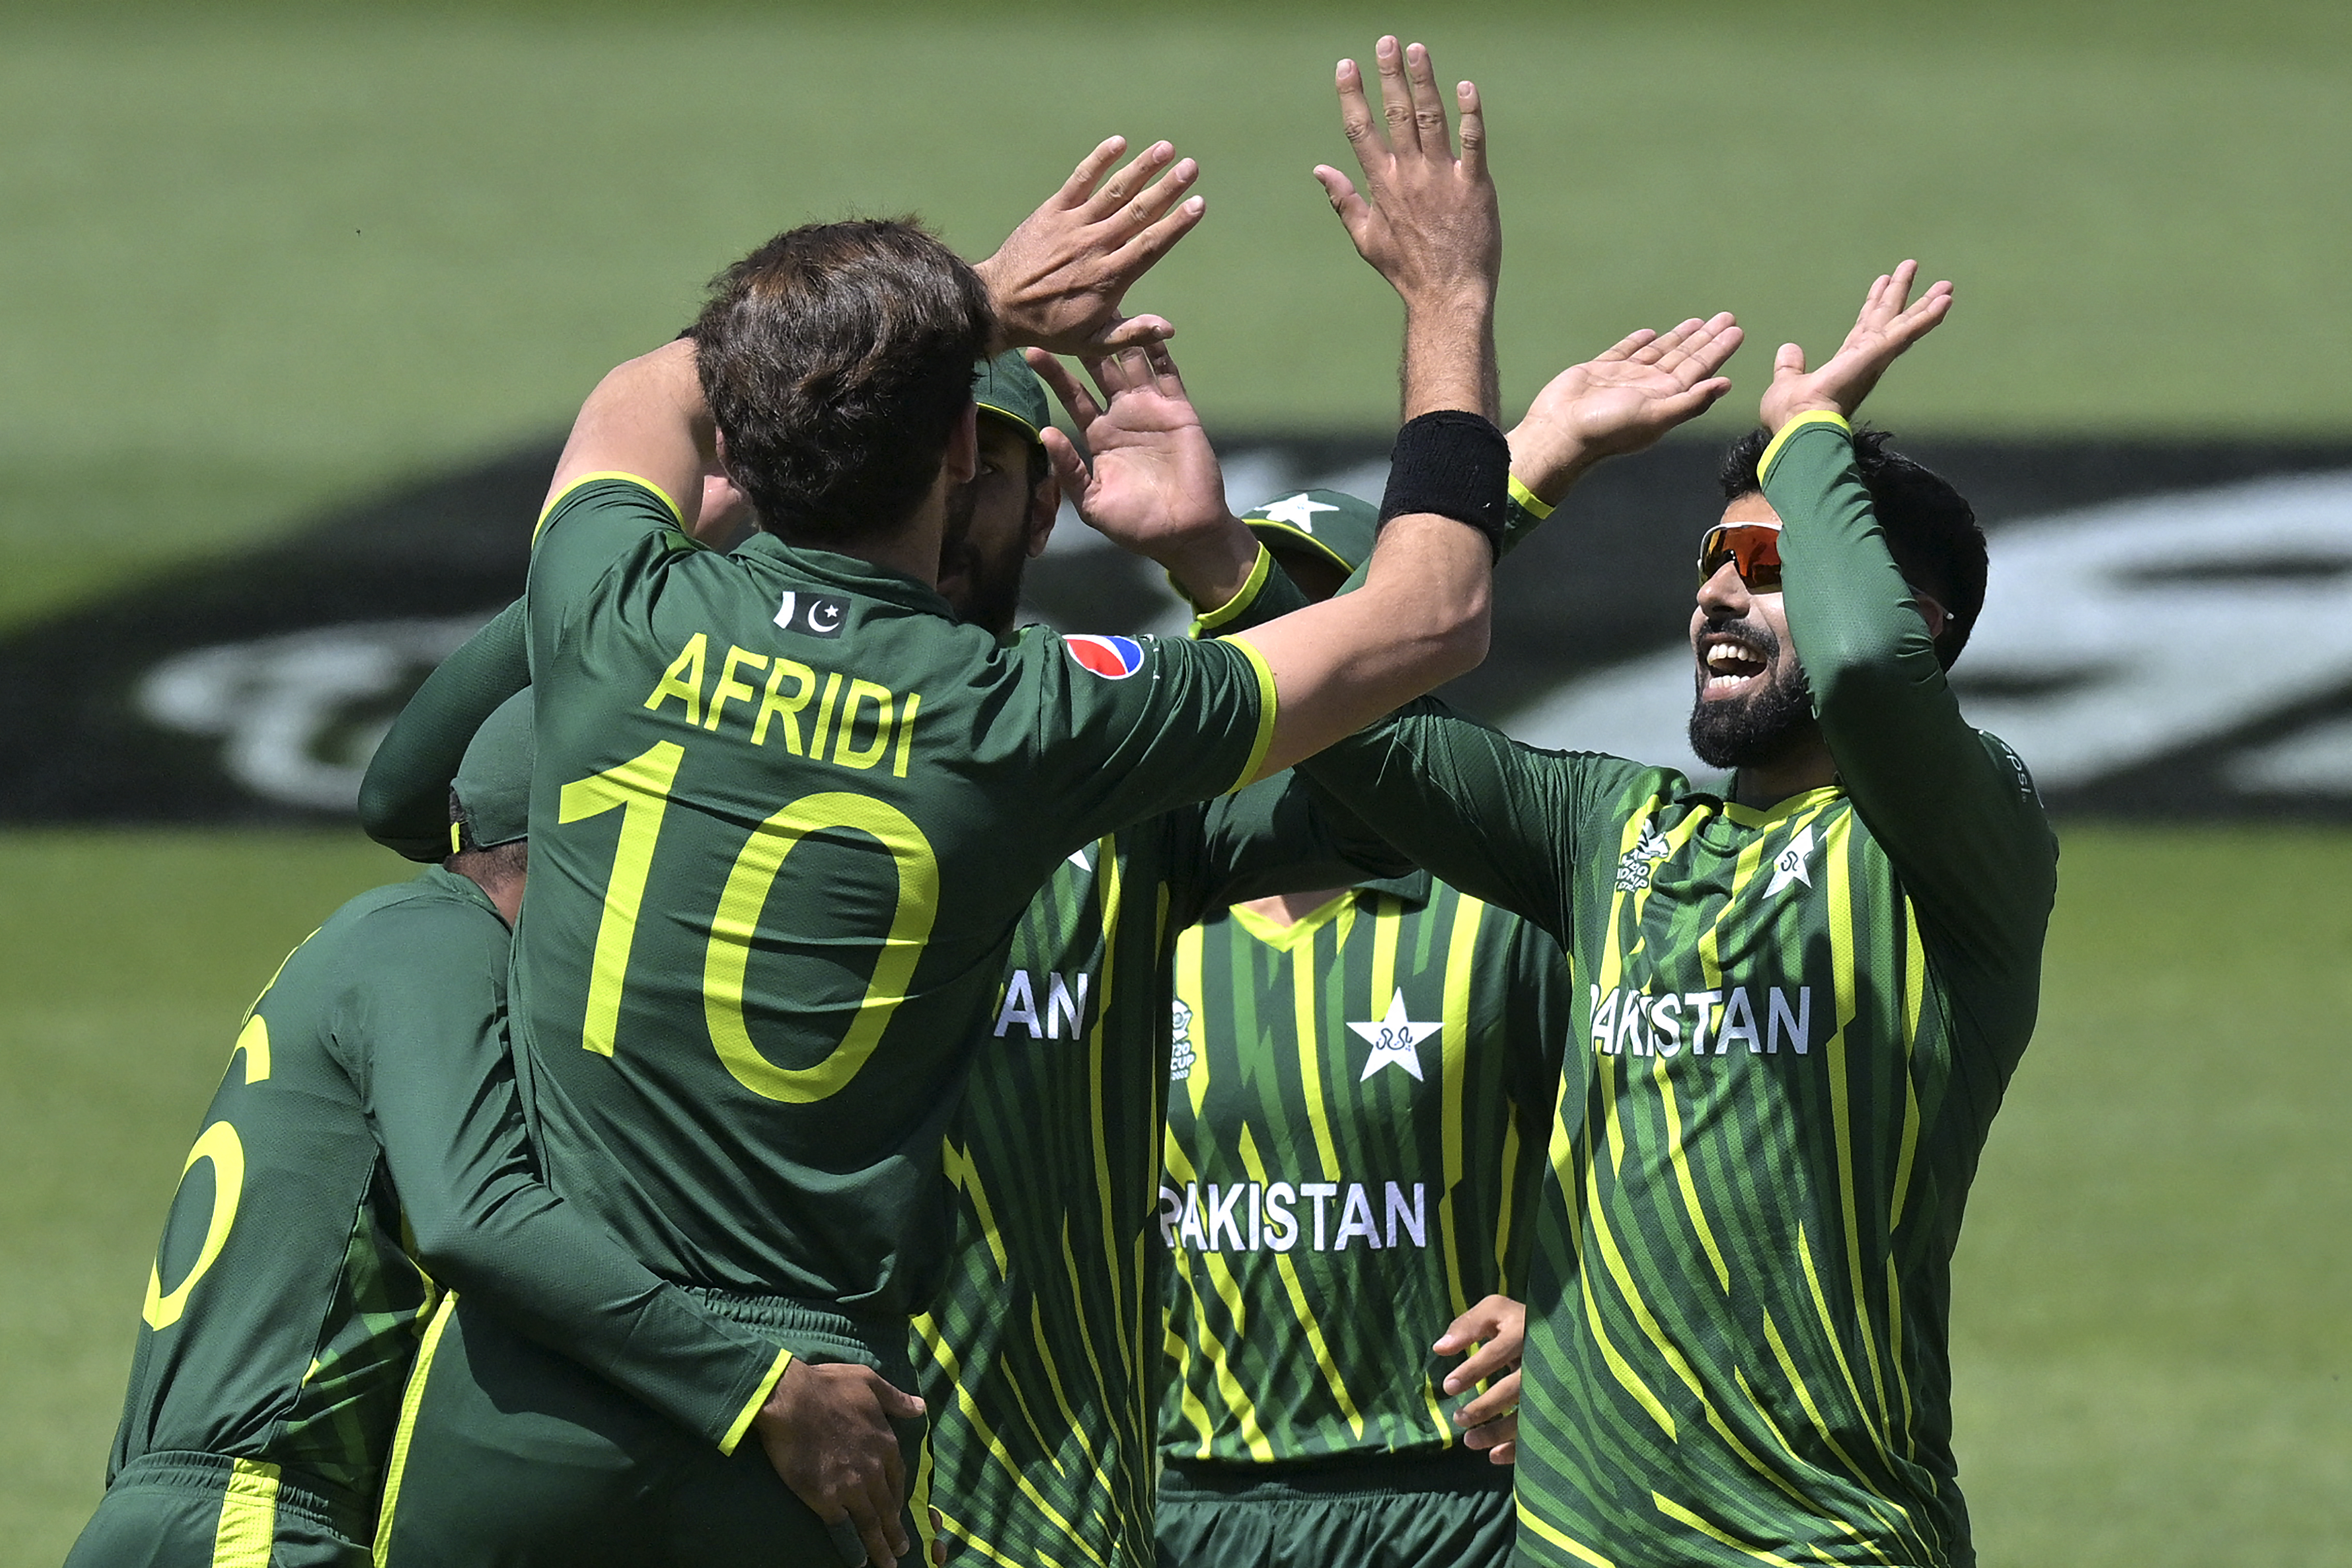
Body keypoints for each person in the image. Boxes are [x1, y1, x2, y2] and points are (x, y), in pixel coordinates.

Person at [378, 37, 1511, 1568]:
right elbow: (1428, 616)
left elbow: (641, 393)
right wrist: (1449, 306)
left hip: (518, 1421)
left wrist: (974, 298)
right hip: (794, 1440)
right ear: (968, 456)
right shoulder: (1024, 719)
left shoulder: (620, 616)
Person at [1260, 264, 2057, 1567]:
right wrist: (1517, 467)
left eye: (1766, 565)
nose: (1715, 594)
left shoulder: (1959, 849)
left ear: (1918, 619)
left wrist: (1808, 434)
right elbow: (1354, 706)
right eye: (1711, 560)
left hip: (1823, 1540)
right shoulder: (1614, 834)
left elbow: (1861, 664)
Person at [64, 694, 861, 1568]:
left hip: (199, 1516)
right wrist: (760, 1388)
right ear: (595, 852)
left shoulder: (390, 939)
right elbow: (473, 1213)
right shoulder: (439, 939)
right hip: (256, 1523)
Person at [1154, 489, 1572, 1568]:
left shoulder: (1504, 908)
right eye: (1264, 614)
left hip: (1456, 1498)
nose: (1297, 649)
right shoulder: (1139, 904)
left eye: (1324, 609)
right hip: (1183, 1500)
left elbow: (1660, 1169)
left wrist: (1576, 1330)